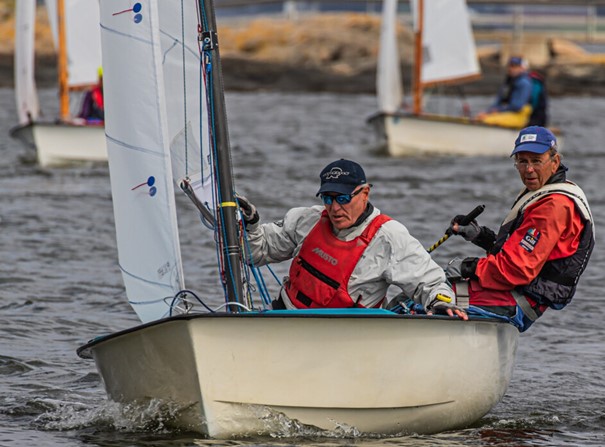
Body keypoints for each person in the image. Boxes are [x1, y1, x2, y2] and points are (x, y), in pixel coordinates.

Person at [238, 159, 466, 319]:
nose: (335, 208)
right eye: (328, 198)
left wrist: (441, 303)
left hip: (345, 338)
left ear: (364, 194)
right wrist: (250, 224)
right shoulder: (307, 220)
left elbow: (431, 283)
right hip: (283, 319)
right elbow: (254, 253)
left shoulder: (389, 237)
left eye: (343, 198)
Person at [447, 126, 595, 332]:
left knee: (425, 298)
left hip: (517, 300)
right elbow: (521, 252)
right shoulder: (544, 193)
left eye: (536, 161)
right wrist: (480, 236)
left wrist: (467, 267)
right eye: (522, 161)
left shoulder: (553, 206)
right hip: (513, 292)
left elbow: (517, 269)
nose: (529, 169)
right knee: (429, 287)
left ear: (555, 163)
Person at [476, 56, 532, 128]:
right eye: (510, 66)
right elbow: (498, 101)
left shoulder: (524, 83)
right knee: (481, 117)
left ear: (522, 68)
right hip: (506, 112)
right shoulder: (508, 83)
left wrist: (498, 110)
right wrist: (488, 112)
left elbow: (517, 106)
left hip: (517, 115)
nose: (512, 69)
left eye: (515, 66)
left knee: (486, 120)